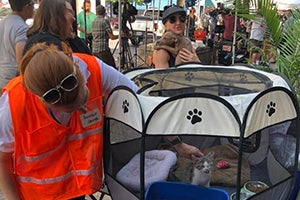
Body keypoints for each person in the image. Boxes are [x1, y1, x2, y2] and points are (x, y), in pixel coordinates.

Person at [0, 42, 203, 200]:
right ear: (41, 99)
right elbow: (2, 160)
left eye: (79, 106)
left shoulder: (95, 70)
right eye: (68, 110)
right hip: (37, 196)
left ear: (78, 71)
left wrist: (179, 144)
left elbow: (143, 107)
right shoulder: (14, 103)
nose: (74, 115)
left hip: (79, 191)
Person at [24, 0, 92, 55]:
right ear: (56, 16)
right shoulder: (45, 45)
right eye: (70, 12)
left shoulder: (71, 40)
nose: (73, 18)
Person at [0, 0, 34, 96]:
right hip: (12, 82)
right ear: (27, 6)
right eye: (32, 4)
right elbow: (21, 60)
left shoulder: (2, 23)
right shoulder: (22, 28)